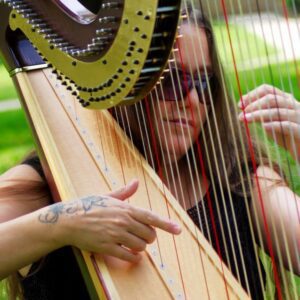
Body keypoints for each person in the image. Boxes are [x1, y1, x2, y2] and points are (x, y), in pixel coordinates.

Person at [0, 5, 299, 300]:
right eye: (173, 81)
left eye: (203, 83)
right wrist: (61, 225)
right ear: (130, 86)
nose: (192, 99)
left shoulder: (238, 179)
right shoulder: (51, 181)